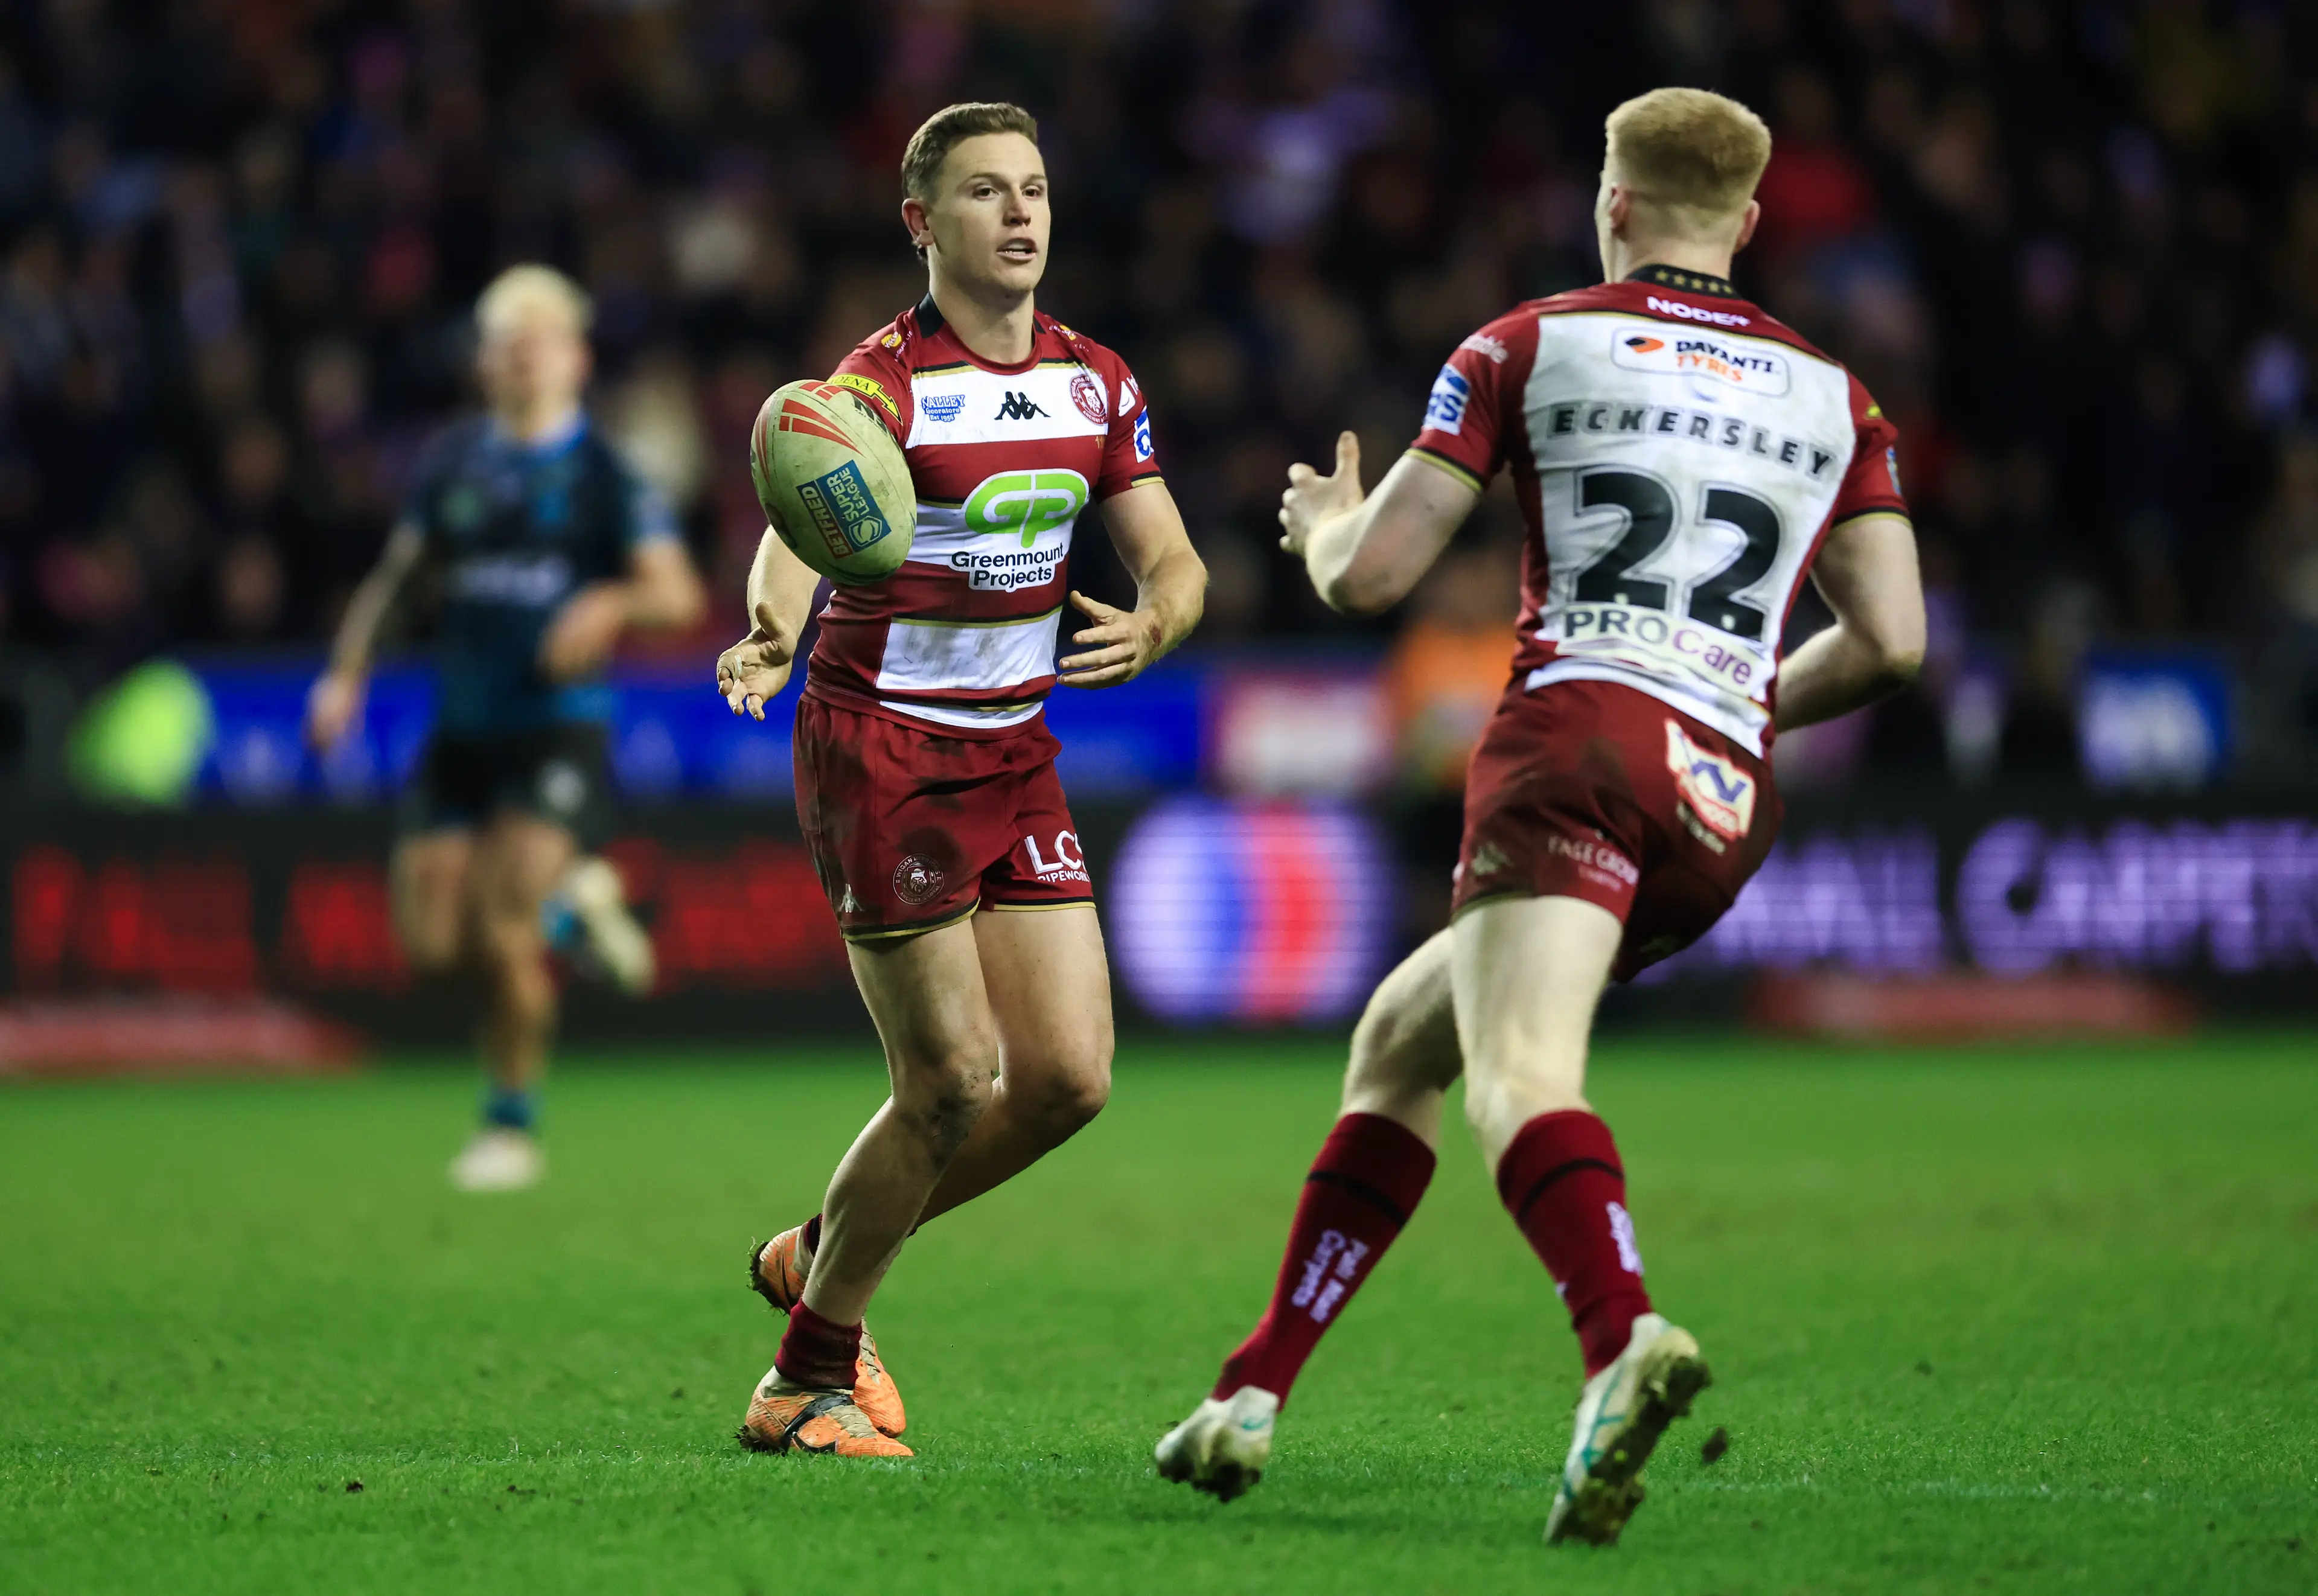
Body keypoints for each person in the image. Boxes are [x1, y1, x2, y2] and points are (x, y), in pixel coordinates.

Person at [1155, 87, 1926, 1546]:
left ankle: (1620, 1330)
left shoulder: (1527, 341)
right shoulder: (1841, 396)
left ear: (1613, 199)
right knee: (1400, 1037)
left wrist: (1324, 519)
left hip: (1573, 739)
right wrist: (1738, 708)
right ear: (1749, 223)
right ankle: (1252, 1387)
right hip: (1724, 792)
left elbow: (1374, 579)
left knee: (1516, 1066)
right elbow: (1892, 641)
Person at [714, 102, 1205, 1458]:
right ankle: (803, 1378)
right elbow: (803, 511)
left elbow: (1177, 562)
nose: (1022, 213)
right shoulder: (882, 381)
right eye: (987, 193)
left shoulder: (1097, 379)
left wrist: (1158, 617)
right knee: (952, 1077)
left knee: (1066, 1078)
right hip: (886, 747)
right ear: (924, 223)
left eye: (1036, 189)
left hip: (1015, 749)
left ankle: (823, 1246)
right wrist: (772, 624)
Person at [307, 265, 706, 1192]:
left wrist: (609, 604)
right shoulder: (453, 462)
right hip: (462, 726)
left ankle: (510, 1124)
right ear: (485, 361)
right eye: (504, 343)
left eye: (538, 342)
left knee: (501, 927)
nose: (521, 358)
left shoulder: (606, 473)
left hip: (556, 728)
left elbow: (677, 591)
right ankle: (576, 907)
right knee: (433, 949)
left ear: (575, 357)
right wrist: (345, 675)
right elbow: (400, 578)